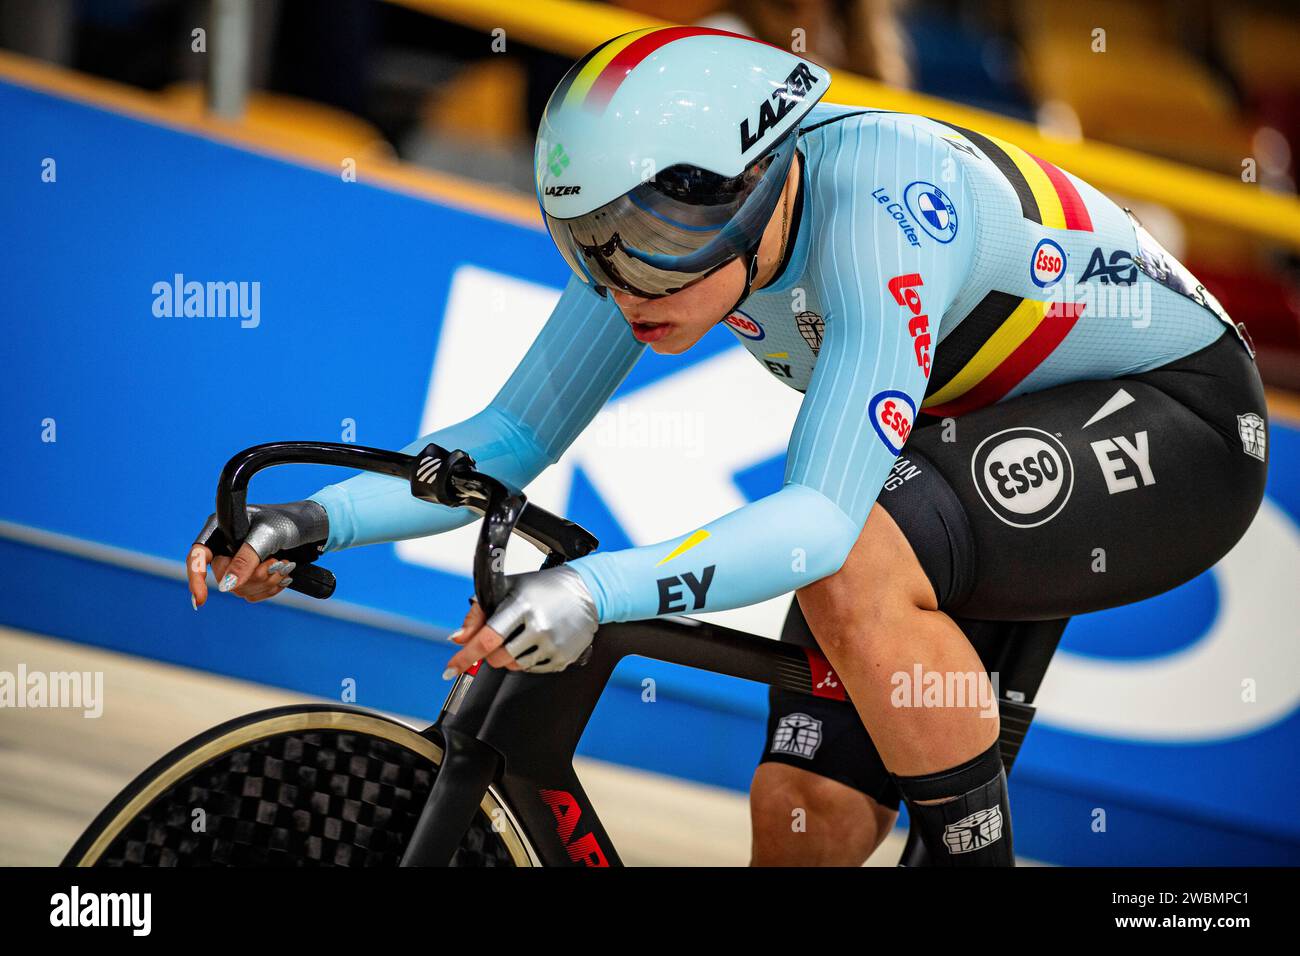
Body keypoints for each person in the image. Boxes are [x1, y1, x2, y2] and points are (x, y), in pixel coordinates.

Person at [187, 27, 1268, 867]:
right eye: (591, 244)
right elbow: (511, 438)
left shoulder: (886, 214)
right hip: (947, 440)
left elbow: (815, 524)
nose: (621, 283)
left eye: (652, 245)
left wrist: (595, 588)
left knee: (851, 559)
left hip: (1172, 414)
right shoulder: (658, 232)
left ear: (748, 190)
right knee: (801, 814)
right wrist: (310, 518)